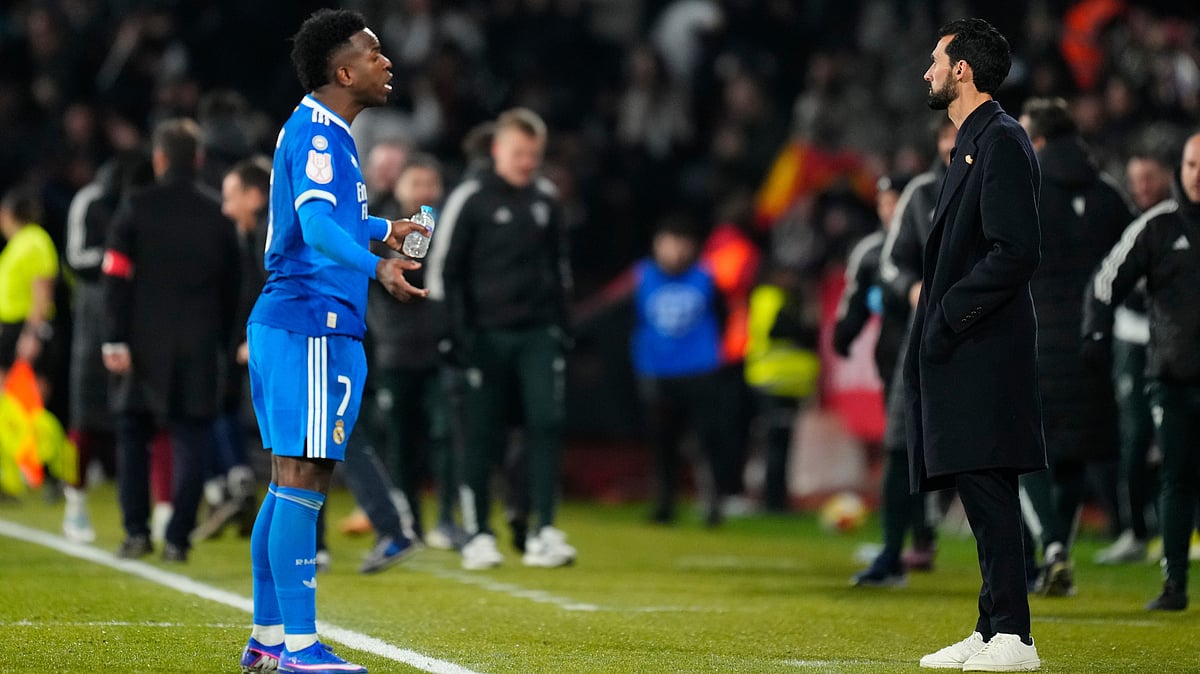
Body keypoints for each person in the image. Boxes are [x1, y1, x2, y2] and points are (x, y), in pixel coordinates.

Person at [238, 10, 428, 674]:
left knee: (290, 481)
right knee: (302, 482)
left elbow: (326, 217)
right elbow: (316, 228)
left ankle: (268, 640)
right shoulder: (323, 138)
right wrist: (377, 265)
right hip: (310, 321)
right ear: (342, 72)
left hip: (292, 321)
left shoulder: (320, 131)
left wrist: (383, 229)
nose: (387, 63)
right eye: (374, 55)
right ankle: (298, 649)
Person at [904, 19, 1044, 671]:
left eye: (935, 60)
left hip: (985, 343)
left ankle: (1015, 635)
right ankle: (991, 627)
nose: (926, 71)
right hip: (971, 343)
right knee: (977, 483)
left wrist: (948, 313)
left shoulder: (1003, 141)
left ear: (962, 69)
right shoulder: (976, 141)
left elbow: (1015, 250)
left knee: (988, 484)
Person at [438, 107, 576, 570]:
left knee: (546, 423)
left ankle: (544, 529)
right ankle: (477, 532)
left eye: (533, 155)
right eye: (519, 153)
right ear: (498, 149)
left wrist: (562, 327)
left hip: (537, 333)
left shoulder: (546, 199)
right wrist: (455, 334)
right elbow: (444, 272)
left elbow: (559, 270)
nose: (526, 163)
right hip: (484, 335)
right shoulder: (471, 198)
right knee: (479, 435)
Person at [100, 118, 241, 564]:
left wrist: (114, 338)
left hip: (142, 343)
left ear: (160, 159)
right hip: (199, 343)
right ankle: (179, 538)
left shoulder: (135, 205)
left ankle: (137, 533)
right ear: (197, 159)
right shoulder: (218, 212)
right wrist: (225, 342)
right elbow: (233, 289)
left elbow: (115, 277)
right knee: (192, 438)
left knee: (132, 434)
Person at [1016, 96, 1133, 597]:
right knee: (1073, 457)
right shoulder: (1109, 195)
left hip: (1036, 340)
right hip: (1094, 347)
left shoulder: (1028, 188)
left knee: (1020, 452)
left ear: (1038, 141)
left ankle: (1052, 548)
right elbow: (1131, 267)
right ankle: (1056, 553)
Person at [1082, 132, 1200, 611]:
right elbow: (1106, 282)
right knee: (1176, 477)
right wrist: (1095, 333)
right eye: (1193, 164)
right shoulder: (1158, 226)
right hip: (1172, 378)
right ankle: (1174, 584)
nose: (1198, 175)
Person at [856, 117, 957, 587]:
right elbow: (892, 265)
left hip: (985, 335)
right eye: (947, 135)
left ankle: (1028, 563)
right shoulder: (921, 194)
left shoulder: (1002, 183)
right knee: (900, 445)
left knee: (997, 456)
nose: (954, 144)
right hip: (924, 338)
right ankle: (893, 553)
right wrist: (914, 287)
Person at [363, 153, 465, 550]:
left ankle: (445, 519)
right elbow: (402, 271)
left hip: (438, 348)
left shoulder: (447, 225)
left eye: (430, 184)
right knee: (401, 441)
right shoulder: (380, 228)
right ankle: (411, 520)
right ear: (400, 187)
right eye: (416, 183)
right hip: (395, 352)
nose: (425, 191)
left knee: (444, 433)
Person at [1092, 141, 1176, 565]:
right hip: (1133, 337)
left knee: (1175, 437)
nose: (1142, 187)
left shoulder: (1178, 221)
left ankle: (1173, 528)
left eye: (1149, 178)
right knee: (1135, 435)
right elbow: (1107, 280)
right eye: (1136, 180)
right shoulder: (1129, 221)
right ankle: (1135, 529)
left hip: (1176, 342)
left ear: (1167, 175)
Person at [63, 151, 154, 542]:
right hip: (92, 322)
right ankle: (75, 503)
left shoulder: (147, 204)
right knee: (84, 419)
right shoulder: (90, 200)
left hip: (140, 322)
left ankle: (162, 509)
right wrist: (116, 259)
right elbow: (76, 257)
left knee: (146, 417)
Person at [193, 156, 273, 542]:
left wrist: (254, 339)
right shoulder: (248, 235)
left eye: (231, 198)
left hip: (277, 344)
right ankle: (235, 484)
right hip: (247, 341)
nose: (225, 209)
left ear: (254, 196)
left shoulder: (269, 238)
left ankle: (310, 542)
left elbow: (277, 291)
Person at [632, 216, 727, 525]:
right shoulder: (641, 276)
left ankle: (712, 504)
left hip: (700, 369)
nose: (674, 251)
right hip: (657, 371)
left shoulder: (708, 276)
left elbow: (727, 315)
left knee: (703, 439)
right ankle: (664, 504)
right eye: (668, 243)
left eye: (681, 244)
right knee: (662, 443)